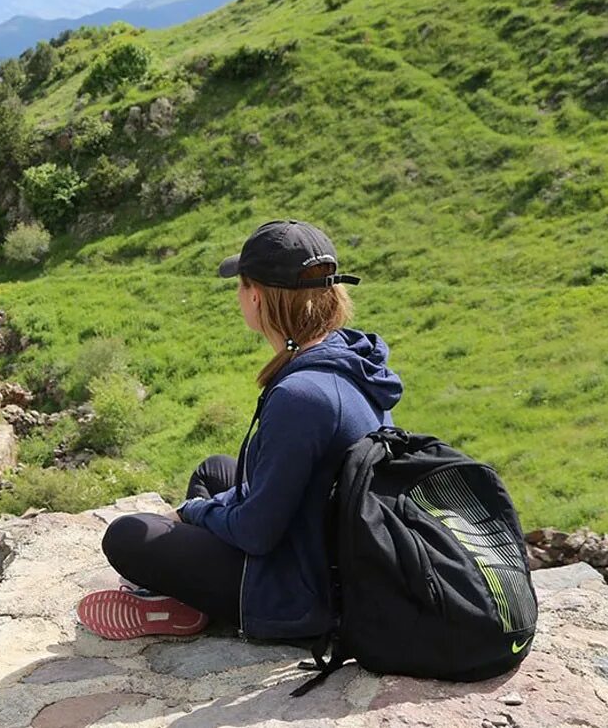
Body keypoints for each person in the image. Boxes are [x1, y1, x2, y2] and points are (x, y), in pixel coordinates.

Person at [76, 219, 402, 643]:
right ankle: (192, 592)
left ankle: (189, 601)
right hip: (329, 540)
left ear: (256, 296)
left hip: (303, 592)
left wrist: (192, 513)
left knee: (127, 537)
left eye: (240, 285)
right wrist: (215, 510)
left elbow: (256, 532)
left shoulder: (302, 395)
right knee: (215, 471)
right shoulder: (351, 354)